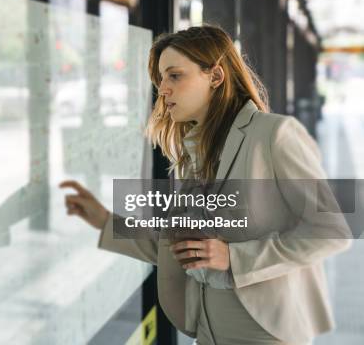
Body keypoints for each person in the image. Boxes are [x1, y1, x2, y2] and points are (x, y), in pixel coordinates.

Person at [59, 25, 351, 345]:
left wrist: (235, 257)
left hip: (264, 330)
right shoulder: (193, 151)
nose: (163, 90)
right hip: (207, 328)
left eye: (174, 76)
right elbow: (179, 247)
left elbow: (332, 230)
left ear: (215, 76)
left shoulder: (274, 134)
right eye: (160, 79)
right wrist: (105, 221)